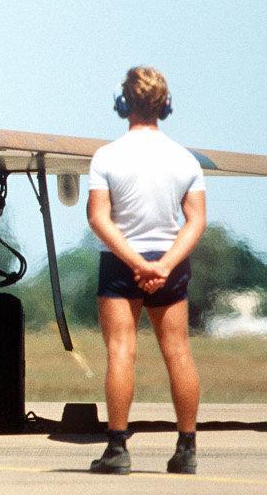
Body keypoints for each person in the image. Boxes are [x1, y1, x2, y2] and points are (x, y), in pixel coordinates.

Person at [86, 66, 206, 475]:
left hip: (122, 262)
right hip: (170, 262)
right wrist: (165, 265)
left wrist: (137, 264)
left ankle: (118, 448)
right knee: (178, 351)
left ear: (124, 104)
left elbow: (99, 218)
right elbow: (195, 221)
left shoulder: (107, 156)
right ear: (165, 105)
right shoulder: (185, 159)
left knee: (121, 350)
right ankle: (186, 448)